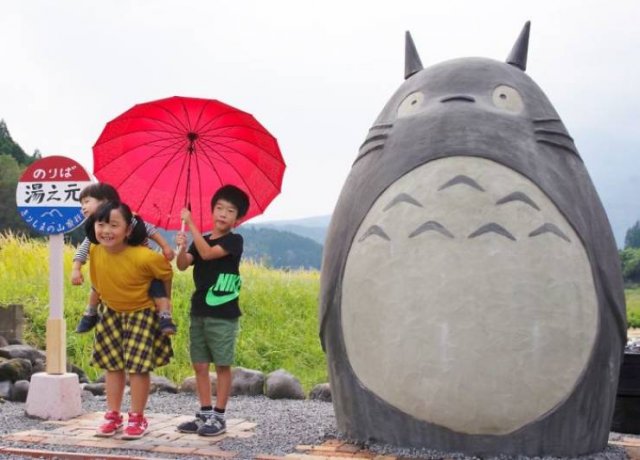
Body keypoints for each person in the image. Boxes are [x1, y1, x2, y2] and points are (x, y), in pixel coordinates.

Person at [86, 200, 174, 439]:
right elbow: (97, 281)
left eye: (114, 225)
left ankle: (137, 417)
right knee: (112, 366)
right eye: (101, 224)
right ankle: (112, 415)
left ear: (128, 230)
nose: (106, 230)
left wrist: (166, 308)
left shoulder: (146, 257)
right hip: (111, 313)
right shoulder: (95, 251)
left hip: (141, 314)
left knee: (137, 368)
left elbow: (166, 274)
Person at [175, 185, 249, 437]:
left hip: (224, 313)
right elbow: (183, 265)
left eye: (230, 211)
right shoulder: (200, 239)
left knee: (222, 365)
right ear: (212, 210)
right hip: (199, 310)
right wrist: (182, 247)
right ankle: (205, 413)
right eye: (219, 208)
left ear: (237, 220)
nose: (223, 214)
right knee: (199, 365)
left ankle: (219, 416)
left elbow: (207, 254)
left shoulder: (233, 240)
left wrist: (191, 223)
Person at [71, 183, 177, 335]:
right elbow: (84, 248)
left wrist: (166, 247)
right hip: (114, 270)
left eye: (87, 201)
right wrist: (76, 269)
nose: (83, 207)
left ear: (105, 201)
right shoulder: (96, 230)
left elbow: (150, 230)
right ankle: (90, 313)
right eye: (81, 204)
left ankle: (165, 316)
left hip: (142, 270)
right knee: (96, 286)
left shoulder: (128, 217)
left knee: (157, 288)